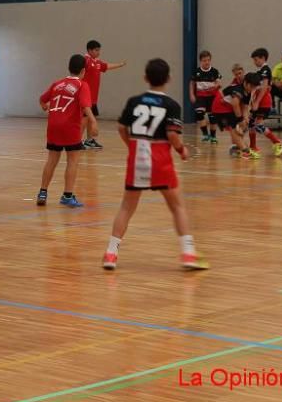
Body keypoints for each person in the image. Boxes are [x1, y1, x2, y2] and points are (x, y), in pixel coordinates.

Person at [102, 58, 208, 272]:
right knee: (177, 206)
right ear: (168, 78)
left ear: (145, 78)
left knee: (126, 207)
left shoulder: (134, 101)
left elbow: (122, 129)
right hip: (160, 159)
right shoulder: (171, 105)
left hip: (137, 157)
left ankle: (111, 253)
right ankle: (188, 253)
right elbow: (171, 134)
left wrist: (131, 146)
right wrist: (181, 150)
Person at [36, 54, 93, 208]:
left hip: (53, 125)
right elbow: (86, 106)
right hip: (70, 127)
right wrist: (93, 122)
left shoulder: (57, 84)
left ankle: (43, 192)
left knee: (52, 160)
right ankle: (67, 196)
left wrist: (45, 107)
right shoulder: (82, 85)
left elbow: (42, 99)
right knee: (73, 160)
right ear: (83, 70)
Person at [82, 40, 126, 150]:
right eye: (96, 50)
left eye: (99, 50)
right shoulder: (85, 61)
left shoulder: (97, 62)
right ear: (89, 50)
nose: (98, 52)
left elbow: (106, 66)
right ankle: (77, 141)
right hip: (85, 97)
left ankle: (89, 140)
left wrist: (120, 64)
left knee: (91, 118)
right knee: (84, 119)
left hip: (93, 98)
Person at [210, 72, 260, 160]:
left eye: (255, 88)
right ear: (246, 83)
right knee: (233, 128)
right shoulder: (238, 89)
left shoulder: (248, 93)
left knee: (242, 126)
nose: (253, 89)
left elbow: (244, 107)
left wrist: (245, 119)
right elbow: (235, 104)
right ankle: (245, 151)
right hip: (220, 107)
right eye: (252, 87)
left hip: (228, 107)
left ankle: (236, 148)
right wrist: (240, 120)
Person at [248, 48, 282, 157]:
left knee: (258, 125)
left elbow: (264, 88)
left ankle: (277, 142)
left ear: (263, 58)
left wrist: (257, 102)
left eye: (256, 60)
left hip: (264, 102)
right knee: (251, 124)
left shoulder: (266, 70)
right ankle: (253, 147)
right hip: (258, 102)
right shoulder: (259, 72)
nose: (254, 62)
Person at [189, 50, 221, 144]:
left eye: (208, 60)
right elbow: (192, 83)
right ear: (201, 61)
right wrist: (191, 94)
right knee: (199, 113)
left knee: (212, 117)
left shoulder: (214, 71)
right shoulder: (197, 72)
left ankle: (213, 136)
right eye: (204, 60)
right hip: (201, 96)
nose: (206, 62)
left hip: (212, 96)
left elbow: (219, 82)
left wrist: (217, 85)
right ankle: (205, 134)